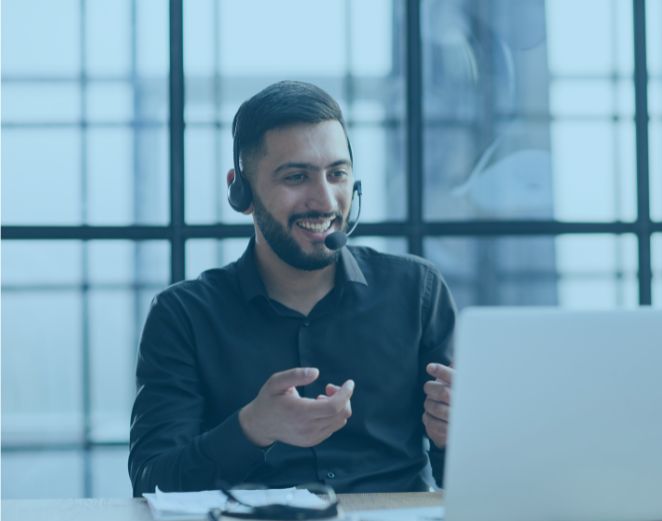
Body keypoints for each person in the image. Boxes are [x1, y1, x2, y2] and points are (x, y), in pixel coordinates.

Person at [129, 81, 456, 496]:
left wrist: (456, 438)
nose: (323, 200)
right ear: (241, 190)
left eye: (337, 174)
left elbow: (470, 488)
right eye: (296, 176)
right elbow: (150, 481)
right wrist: (252, 428)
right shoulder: (183, 315)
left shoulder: (417, 292)